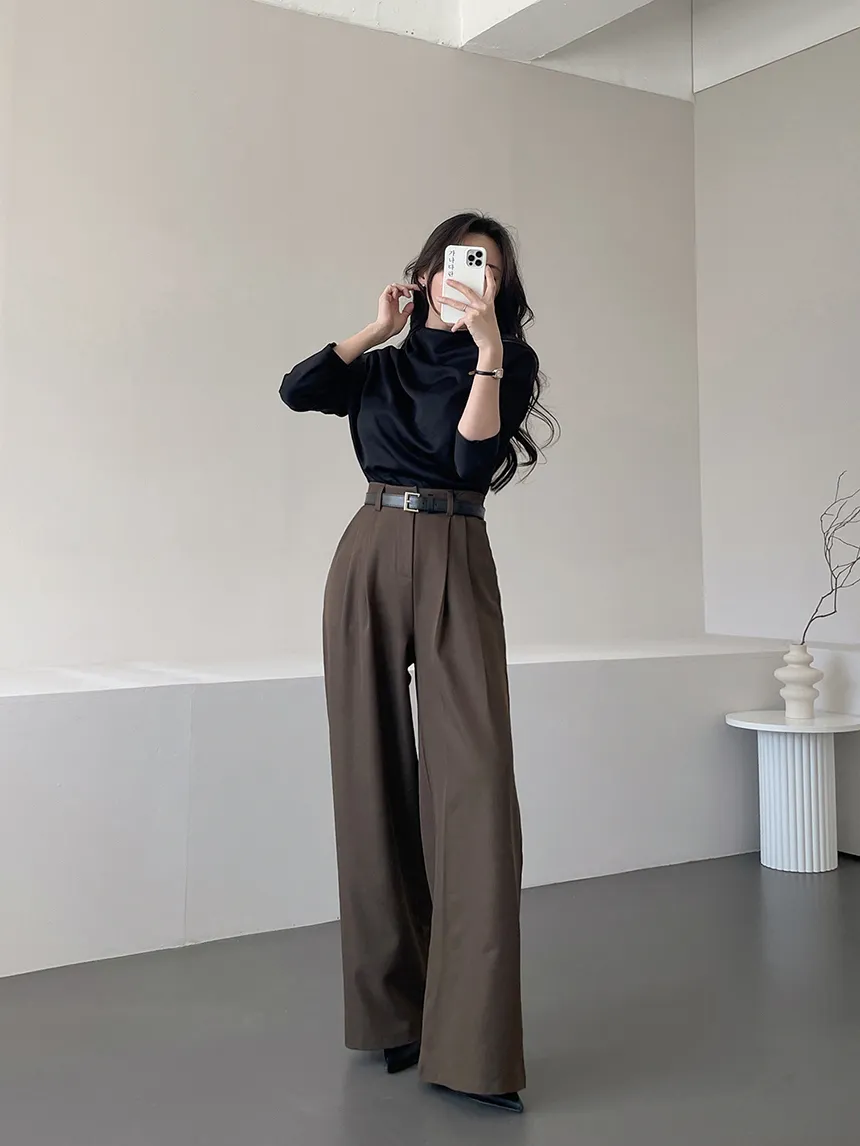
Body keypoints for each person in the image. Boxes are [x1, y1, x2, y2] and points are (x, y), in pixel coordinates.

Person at [279, 213, 556, 1114]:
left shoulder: (507, 361)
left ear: (499, 285)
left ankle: (473, 1047)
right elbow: (298, 388)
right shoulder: (382, 365)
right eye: (453, 263)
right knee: (368, 778)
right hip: (367, 548)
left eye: (485, 268)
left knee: (474, 786)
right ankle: (392, 1013)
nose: (465, 277)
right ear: (427, 273)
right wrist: (376, 328)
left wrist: (487, 350)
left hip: (454, 548)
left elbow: (471, 459)